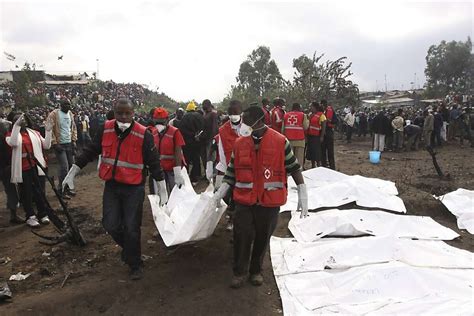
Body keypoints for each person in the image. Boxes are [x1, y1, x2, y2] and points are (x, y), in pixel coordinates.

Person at [62, 98, 168, 280]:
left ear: (133, 114)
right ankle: (130, 250)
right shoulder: (106, 129)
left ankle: (135, 264)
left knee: (132, 227)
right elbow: (89, 151)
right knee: (110, 224)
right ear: (114, 112)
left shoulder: (144, 134)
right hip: (112, 185)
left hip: (134, 188)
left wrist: (162, 191)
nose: (124, 117)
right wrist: (71, 173)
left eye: (127, 113)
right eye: (120, 113)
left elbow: (154, 164)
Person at [211, 105, 308, 289]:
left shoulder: (280, 141)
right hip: (244, 200)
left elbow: (294, 167)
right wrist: (221, 192)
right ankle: (239, 272)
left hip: (269, 201)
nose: (242, 126)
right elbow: (231, 171)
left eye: (246, 122)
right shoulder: (240, 143)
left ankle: (255, 271)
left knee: (263, 238)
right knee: (241, 236)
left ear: (259, 121)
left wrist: (302, 191)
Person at [5, 112, 53, 227]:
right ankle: (30, 216)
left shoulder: (35, 133)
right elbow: (14, 143)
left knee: (40, 191)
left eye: (24, 118)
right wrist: (16, 127)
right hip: (23, 168)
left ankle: (42, 213)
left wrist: (48, 131)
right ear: (14, 122)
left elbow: (46, 145)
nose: (23, 120)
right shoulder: (10, 135)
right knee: (27, 193)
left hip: (36, 166)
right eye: (18, 119)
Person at [208, 100, 242, 231]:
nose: (234, 115)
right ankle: (232, 216)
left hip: (246, 167)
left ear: (241, 113)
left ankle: (234, 219)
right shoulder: (223, 130)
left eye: (236, 113)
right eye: (231, 113)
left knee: (239, 195)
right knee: (229, 195)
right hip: (229, 167)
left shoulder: (248, 127)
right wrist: (212, 166)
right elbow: (220, 151)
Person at [148, 107, 186, 194]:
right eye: (157, 121)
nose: (159, 124)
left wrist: (178, 172)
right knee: (160, 194)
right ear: (153, 120)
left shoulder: (175, 132)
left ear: (167, 119)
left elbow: (178, 152)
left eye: (161, 121)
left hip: (172, 169)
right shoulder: (151, 133)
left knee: (175, 193)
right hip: (158, 170)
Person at [47, 99, 77, 198]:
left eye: (69, 104)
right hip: (60, 145)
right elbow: (49, 129)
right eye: (65, 104)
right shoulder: (54, 114)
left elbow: (73, 128)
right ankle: (61, 190)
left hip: (69, 143)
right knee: (64, 167)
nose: (68, 106)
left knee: (71, 167)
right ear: (60, 105)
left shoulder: (70, 114)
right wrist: (55, 143)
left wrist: (74, 141)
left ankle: (67, 188)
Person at [0, 117, 21, 224]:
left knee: (11, 190)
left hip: (6, 164)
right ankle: (13, 214)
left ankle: (13, 214)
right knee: (11, 190)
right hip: (6, 164)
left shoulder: (6, 125)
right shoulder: (6, 125)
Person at [178, 101, 205, 184]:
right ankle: (195, 178)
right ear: (194, 108)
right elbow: (203, 128)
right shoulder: (199, 116)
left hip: (186, 143)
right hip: (197, 142)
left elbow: (181, 130)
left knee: (186, 160)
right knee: (196, 160)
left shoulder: (184, 118)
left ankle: (185, 178)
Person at [282, 103, 308, 168]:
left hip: (288, 140)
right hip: (300, 140)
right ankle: (299, 174)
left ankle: (289, 174)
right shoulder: (303, 115)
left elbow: (282, 129)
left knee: (289, 159)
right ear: (299, 108)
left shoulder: (286, 115)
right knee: (299, 160)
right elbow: (306, 127)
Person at [202, 99, 219, 180]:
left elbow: (215, 127)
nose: (202, 106)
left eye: (203, 105)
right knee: (208, 157)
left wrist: (214, 139)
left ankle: (214, 174)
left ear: (208, 105)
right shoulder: (205, 114)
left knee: (211, 157)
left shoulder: (213, 114)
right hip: (206, 138)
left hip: (211, 138)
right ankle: (209, 174)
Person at [306, 102, 326, 168]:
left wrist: (322, 136)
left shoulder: (321, 115)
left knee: (317, 152)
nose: (310, 108)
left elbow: (323, 127)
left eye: (311, 106)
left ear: (315, 107)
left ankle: (318, 165)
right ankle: (313, 165)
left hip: (317, 136)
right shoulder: (310, 114)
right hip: (310, 136)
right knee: (311, 151)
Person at [321, 100, 337, 170]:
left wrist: (329, 121)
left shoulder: (331, 110)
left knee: (330, 151)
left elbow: (336, 121)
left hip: (329, 131)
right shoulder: (321, 111)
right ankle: (324, 166)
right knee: (322, 151)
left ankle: (332, 167)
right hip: (322, 132)